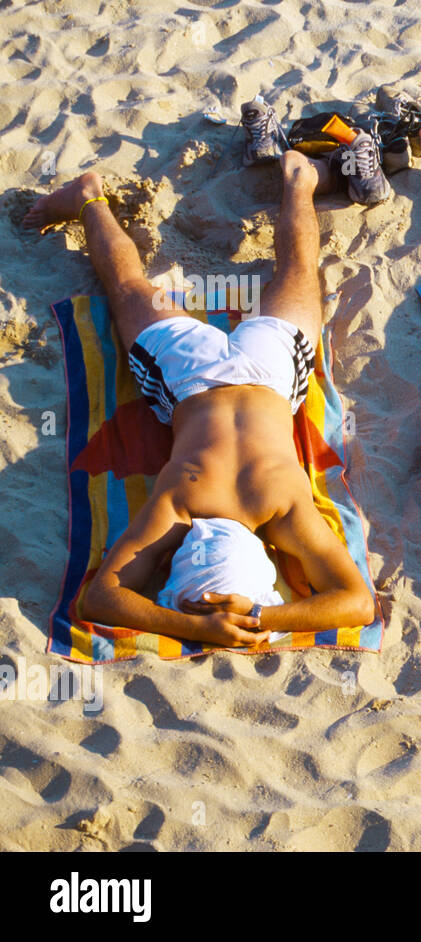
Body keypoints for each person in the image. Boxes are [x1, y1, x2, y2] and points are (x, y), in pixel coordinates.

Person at [24, 134, 376, 646]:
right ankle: (88, 198)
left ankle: (299, 181)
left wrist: (259, 616)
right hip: (191, 380)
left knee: (298, 273)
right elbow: (101, 598)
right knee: (129, 289)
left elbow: (355, 603)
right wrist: (197, 623)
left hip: (271, 376)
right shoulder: (181, 503)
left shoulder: (279, 509)